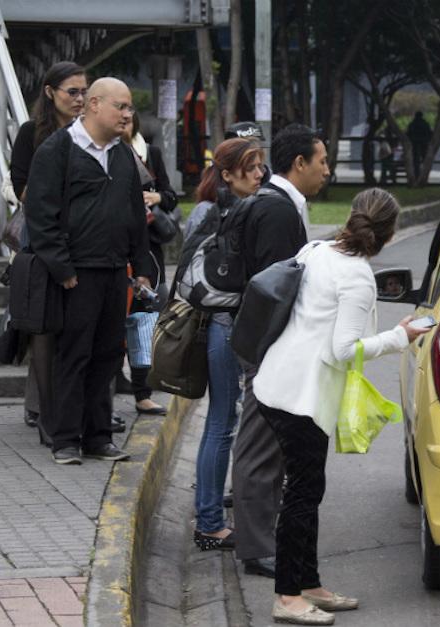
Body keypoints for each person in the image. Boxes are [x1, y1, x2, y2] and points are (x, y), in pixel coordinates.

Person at [253, 188, 429, 625]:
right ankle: (288, 596)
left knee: (307, 491)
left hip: (277, 382)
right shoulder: (356, 276)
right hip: (302, 397)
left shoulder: (316, 250)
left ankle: (308, 583)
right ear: (389, 235)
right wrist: (399, 337)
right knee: (302, 494)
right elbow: (341, 350)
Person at [24, 77, 153, 465]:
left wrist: (141, 266)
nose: (128, 114)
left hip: (116, 271)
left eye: (129, 107)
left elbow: (134, 212)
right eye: (121, 107)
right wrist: (62, 268)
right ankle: (65, 439)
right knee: (72, 355)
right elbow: (41, 215)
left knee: (108, 356)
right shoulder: (57, 149)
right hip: (76, 274)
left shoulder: (121, 153)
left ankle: (98, 437)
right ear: (94, 105)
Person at [232, 124, 328, 578]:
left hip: (272, 345)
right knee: (258, 445)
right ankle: (256, 548)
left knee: (271, 445)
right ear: (300, 164)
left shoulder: (283, 204)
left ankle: (262, 540)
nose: (328, 170)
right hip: (270, 346)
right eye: (322, 161)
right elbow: (275, 288)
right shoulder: (277, 212)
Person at [184, 138, 265, 551]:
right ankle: (211, 523)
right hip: (222, 325)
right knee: (220, 424)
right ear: (227, 173)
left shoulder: (227, 207)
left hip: (223, 325)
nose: (258, 174)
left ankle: (208, 516)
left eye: (260, 166)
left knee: (220, 423)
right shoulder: (224, 211)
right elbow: (195, 277)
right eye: (249, 167)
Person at [9, 61, 87, 435]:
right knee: (42, 326)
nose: (79, 99)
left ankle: (74, 408)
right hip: (42, 240)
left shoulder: (89, 133)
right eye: (72, 91)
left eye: (84, 92)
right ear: (50, 92)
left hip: (83, 241)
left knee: (77, 326)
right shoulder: (32, 134)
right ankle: (41, 410)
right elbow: (24, 190)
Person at [120, 111, 176, 416]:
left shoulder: (149, 153)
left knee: (143, 321)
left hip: (147, 249)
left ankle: (143, 392)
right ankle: (113, 384)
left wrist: (155, 198)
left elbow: (170, 196)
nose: (123, 122)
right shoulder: (104, 154)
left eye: (128, 118)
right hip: (114, 249)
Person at [406, 111, 432, 180]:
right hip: (424, 144)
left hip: (415, 144)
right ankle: (423, 176)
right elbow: (430, 134)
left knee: (415, 161)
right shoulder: (425, 124)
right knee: (424, 160)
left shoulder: (412, 124)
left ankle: (417, 175)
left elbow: (408, 134)